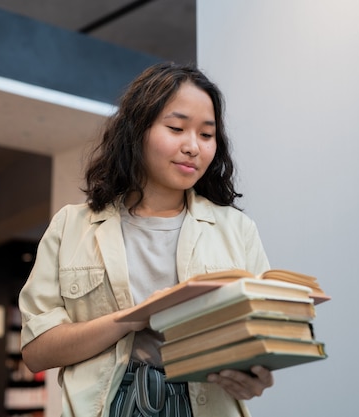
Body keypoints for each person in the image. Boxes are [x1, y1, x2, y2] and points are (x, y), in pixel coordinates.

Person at [18, 61, 274, 417]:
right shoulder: (71, 226)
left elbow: (261, 337)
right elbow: (36, 351)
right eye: (176, 128)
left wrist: (254, 378)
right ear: (137, 130)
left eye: (206, 134)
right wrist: (135, 317)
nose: (193, 147)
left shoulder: (237, 229)